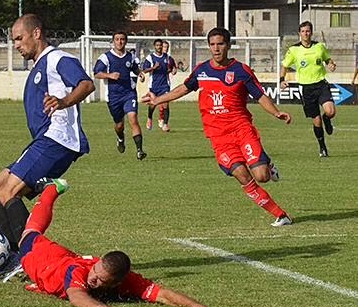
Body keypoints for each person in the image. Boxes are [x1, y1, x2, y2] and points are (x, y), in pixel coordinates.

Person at [142, 28, 293, 227]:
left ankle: (268, 164)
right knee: (242, 175)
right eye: (212, 44)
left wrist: (275, 112)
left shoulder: (241, 71)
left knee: (262, 176)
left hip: (242, 130)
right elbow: (184, 88)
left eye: (220, 44)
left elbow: (260, 95)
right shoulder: (202, 70)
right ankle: (281, 215)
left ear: (228, 46)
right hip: (218, 137)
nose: (216, 48)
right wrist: (157, 100)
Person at [0, 13, 94, 278]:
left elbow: (86, 84)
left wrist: (63, 102)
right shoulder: (39, 66)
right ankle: (10, 256)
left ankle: (27, 258)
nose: (16, 45)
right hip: (43, 140)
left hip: (58, 140)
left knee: (9, 191)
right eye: (13, 40)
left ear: (37, 33)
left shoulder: (57, 59)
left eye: (19, 38)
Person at [12, 177, 215, 307]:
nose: (93, 279)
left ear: (117, 282)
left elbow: (161, 294)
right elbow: (77, 297)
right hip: (43, 259)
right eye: (95, 272)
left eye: (100, 280)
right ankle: (52, 188)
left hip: (65, 260)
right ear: (97, 262)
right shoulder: (79, 272)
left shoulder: (127, 279)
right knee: (29, 235)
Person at [280, 21, 337, 157]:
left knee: (330, 111)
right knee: (316, 120)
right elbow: (285, 66)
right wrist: (282, 80)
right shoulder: (294, 50)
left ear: (311, 32)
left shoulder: (319, 47)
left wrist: (331, 64)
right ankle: (322, 147)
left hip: (321, 84)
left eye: (308, 31)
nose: (306, 33)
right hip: (306, 88)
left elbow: (327, 59)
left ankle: (327, 119)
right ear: (299, 34)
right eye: (303, 31)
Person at [92, 31, 147, 159]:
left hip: (129, 93)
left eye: (122, 39)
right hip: (114, 96)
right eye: (117, 39)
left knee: (133, 118)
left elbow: (134, 68)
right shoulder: (105, 57)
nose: (120, 42)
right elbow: (96, 73)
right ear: (113, 41)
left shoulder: (130, 57)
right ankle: (120, 138)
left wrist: (140, 73)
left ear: (126, 41)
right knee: (119, 125)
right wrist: (109, 75)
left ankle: (139, 150)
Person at [141, 39, 176, 132]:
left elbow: (173, 67)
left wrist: (173, 70)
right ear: (154, 46)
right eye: (157, 45)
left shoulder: (168, 58)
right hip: (154, 85)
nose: (159, 47)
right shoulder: (150, 58)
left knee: (166, 104)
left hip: (165, 85)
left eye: (160, 45)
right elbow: (144, 70)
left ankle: (165, 124)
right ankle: (149, 118)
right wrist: (153, 68)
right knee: (153, 104)